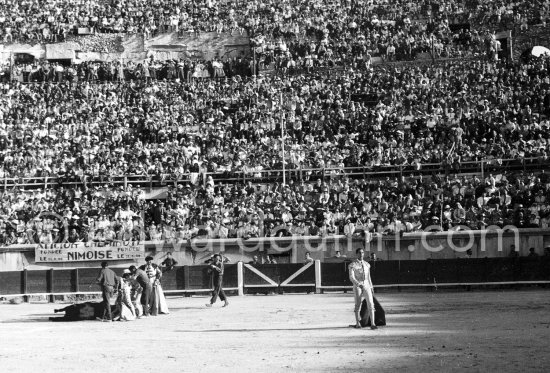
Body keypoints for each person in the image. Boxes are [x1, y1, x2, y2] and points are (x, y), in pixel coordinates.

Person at [348, 248, 377, 330]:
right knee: (358, 304)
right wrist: (358, 284)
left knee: (371, 303)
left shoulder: (367, 264)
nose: (361, 254)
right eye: (360, 253)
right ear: (356, 254)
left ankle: (373, 323)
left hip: (367, 284)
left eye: (362, 252)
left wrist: (371, 287)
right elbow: (351, 277)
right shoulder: (352, 265)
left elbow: (369, 277)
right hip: (358, 285)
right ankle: (357, 323)